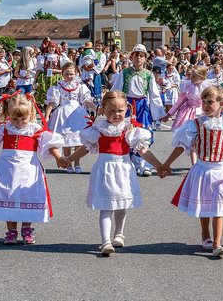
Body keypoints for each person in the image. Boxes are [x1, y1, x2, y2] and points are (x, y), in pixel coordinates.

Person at [159, 86, 223, 257]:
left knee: (219, 207)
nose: (205, 105)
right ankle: (205, 235)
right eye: (203, 101)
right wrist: (166, 164)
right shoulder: (195, 124)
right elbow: (182, 146)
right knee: (204, 205)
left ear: (221, 104)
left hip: (222, 170)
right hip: (203, 169)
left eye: (210, 102)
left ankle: (217, 243)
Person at [65, 91, 162, 256]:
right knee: (106, 206)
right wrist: (70, 158)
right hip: (104, 169)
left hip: (123, 169)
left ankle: (119, 234)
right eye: (111, 111)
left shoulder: (129, 129)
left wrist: (159, 165)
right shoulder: (99, 129)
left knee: (122, 204)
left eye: (120, 111)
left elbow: (143, 150)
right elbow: (86, 148)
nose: (116, 114)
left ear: (126, 110)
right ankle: (105, 241)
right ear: (103, 110)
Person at [0, 93, 67, 244]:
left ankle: (27, 228)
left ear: (31, 115)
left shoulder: (34, 129)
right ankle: (11, 231)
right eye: (15, 119)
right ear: (9, 115)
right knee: (9, 196)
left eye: (23, 119)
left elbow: (49, 144)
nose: (19, 123)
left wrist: (59, 158)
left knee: (27, 196)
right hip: (7, 169)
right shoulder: (4, 128)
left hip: (28, 169)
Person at [110, 44, 165, 177]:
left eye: (141, 56)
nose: (139, 58)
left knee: (143, 134)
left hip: (142, 107)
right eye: (136, 55)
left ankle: (143, 164)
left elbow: (154, 94)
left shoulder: (148, 75)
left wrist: (159, 113)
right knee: (126, 134)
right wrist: (110, 106)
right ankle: (129, 163)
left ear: (145, 59)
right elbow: (116, 90)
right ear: (132, 57)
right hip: (127, 106)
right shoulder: (124, 73)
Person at [45, 62, 96, 174]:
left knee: (78, 139)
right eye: (67, 74)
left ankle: (77, 163)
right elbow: (52, 103)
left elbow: (86, 100)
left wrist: (96, 109)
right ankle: (67, 162)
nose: (69, 76)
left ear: (76, 73)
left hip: (77, 113)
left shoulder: (81, 86)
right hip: (63, 113)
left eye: (72, 74)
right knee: (66, 140)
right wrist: (47, 115)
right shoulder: (58, 87)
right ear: (62, 74)